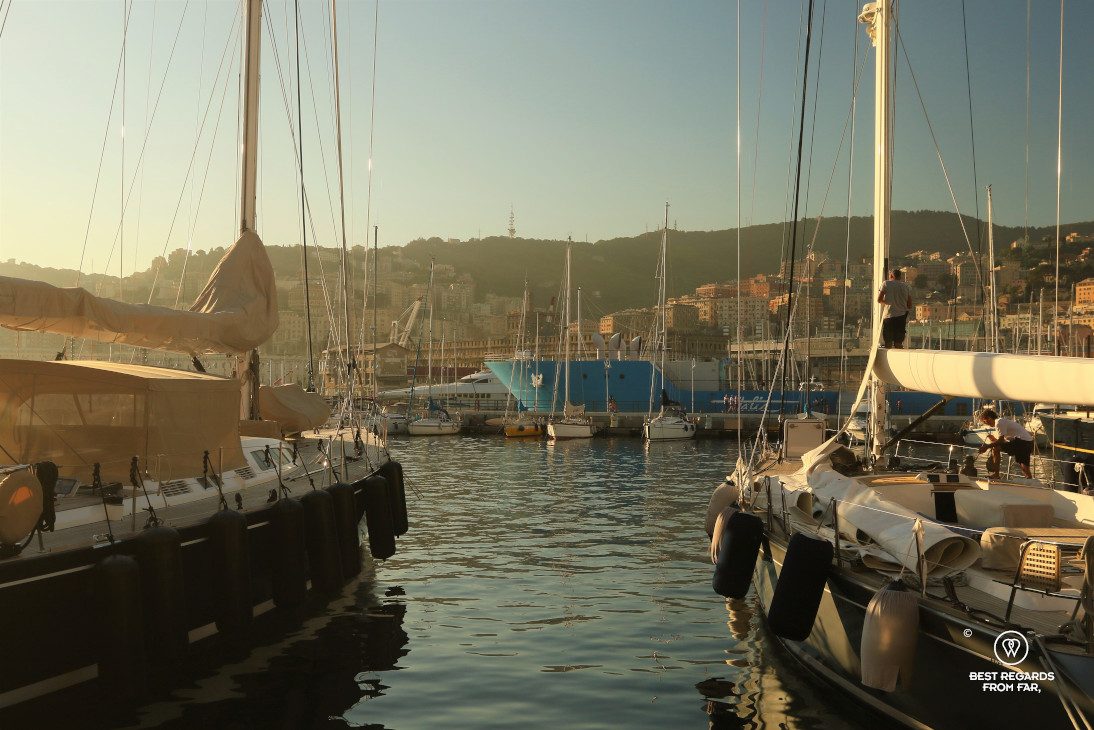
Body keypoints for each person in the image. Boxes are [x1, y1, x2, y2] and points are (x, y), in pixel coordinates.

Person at [976, 408, 1034, 479]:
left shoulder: (998, 422)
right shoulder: (1002, 422)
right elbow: (1002, 441)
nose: (986, 424)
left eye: (984, 422)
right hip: (1028, 443)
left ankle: (996, 474)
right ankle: (1030, 481)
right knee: (1025, 470)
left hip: (1021, 442)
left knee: (996, 449)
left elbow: (1000, 441)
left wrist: (986, 447)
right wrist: (994, 440)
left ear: (989, 418)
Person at [877, 269, 913, 348]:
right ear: (900, 277)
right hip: (901, 316)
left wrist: (886, 303)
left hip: (889, 315)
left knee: (888, 342)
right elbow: (909, 305)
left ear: (891, 276)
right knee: (898, 342)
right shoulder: (906, 286)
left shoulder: (886, 283)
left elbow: (879, 299)